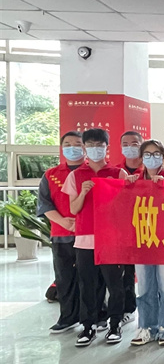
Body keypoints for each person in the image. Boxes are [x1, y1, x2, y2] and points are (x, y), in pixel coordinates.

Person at [62, 128, 127, 347]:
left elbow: (125, 206)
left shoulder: (118, 173)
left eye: (100, 145)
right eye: (90, 145)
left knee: (115, 284)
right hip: (85, 239)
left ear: (107, 147)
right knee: (87, 284)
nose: (95, 149)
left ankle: (115, 324)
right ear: (84, 148)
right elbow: (74, 209)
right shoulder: (75, 175)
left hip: (111, 238)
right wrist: (83, 192)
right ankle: (88, 326)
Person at [129, 139, 164, 346]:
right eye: (147, 154)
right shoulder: (134, 181)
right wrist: (128, 188)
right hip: (141, 242)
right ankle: (146, 327)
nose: (152, 158)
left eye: (156, 154)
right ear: (141, 158)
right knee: (144, 287)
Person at [37, 131, 84, 334]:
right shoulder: (51, 175)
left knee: (91, 277)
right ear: (62, 147)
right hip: (61, 234)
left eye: (77, 144)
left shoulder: (93, 172)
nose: (73, 147)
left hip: (88, 235)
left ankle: (96, 315)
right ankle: (68, 317)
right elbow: (45, 204)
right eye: (68, 144)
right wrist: (63, 221)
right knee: (64, 277)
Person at [117, 130, 144, 327]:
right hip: (122, 230)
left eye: (134, 143)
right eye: (125, 144)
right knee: (125, 270)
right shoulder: (115, 172)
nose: (130, 147)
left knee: (149, 272)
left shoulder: (151, 171)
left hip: (148, 228)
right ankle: (128, 308)